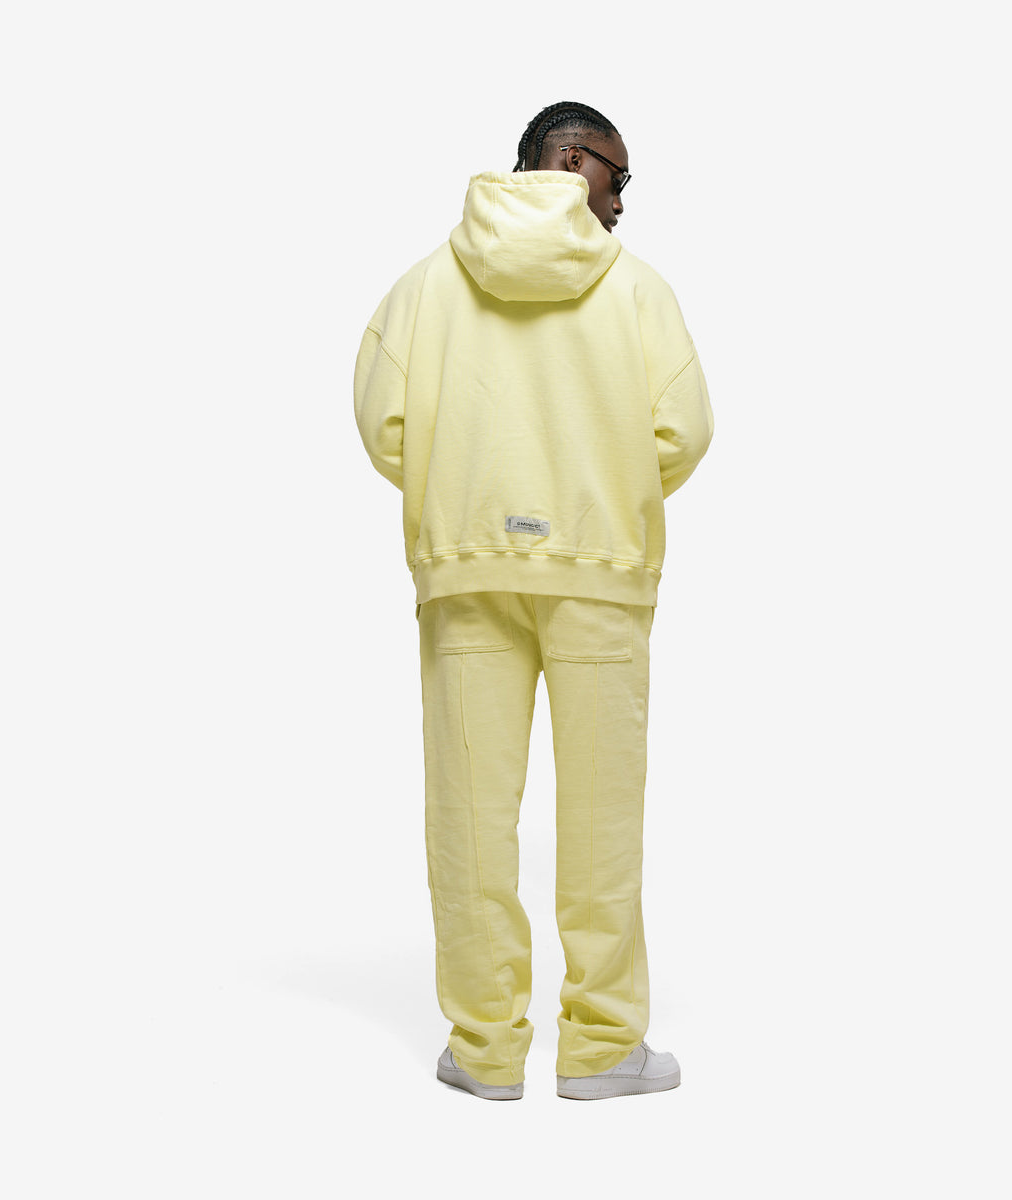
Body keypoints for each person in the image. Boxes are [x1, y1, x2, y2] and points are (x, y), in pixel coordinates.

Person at [354, 101, 713, 1100]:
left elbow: (383, 421)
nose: (622, 203)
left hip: (466, 571)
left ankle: (484, 1051)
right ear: (569, 158)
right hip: (599, 574)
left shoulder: (426, 285)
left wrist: (465, 488)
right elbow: (683, 430)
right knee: (603, 818)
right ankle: (601, 1049)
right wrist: (600, 489)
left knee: (468, 816)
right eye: (617, 178)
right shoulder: (637, 290)